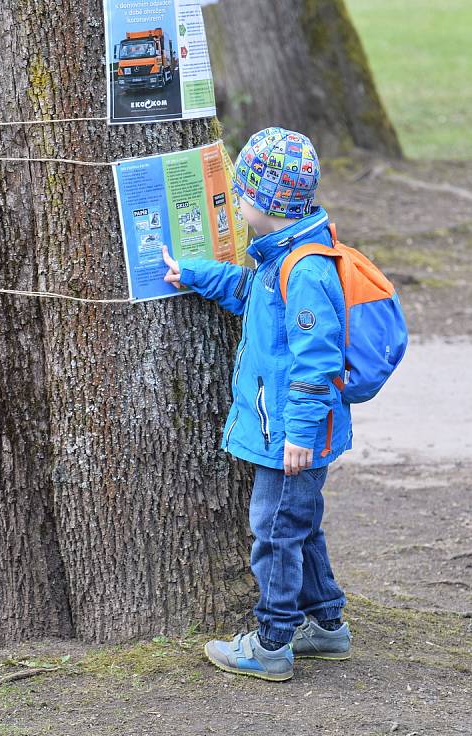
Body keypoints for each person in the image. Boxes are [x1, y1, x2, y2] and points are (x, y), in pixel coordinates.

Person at [162, 127, 352, 682]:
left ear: (264, 203)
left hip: (292, 436)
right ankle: (328, 625)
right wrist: (195, 274)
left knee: (272, 529)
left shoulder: (306, 270)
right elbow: (251, 294)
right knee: (300, 525)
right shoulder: (282, 257)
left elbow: (317, 362)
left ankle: (271, 643)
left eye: (241, 192)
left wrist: (298, 432)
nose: (237, 203)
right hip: (290, 432)